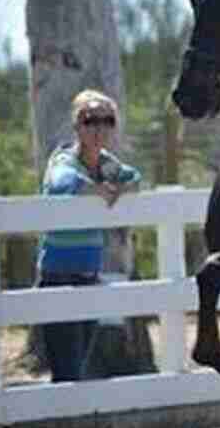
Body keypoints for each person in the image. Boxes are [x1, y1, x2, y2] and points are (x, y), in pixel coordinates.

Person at [36, 89, 142, 382]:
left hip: (88, 275)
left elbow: (134, 177)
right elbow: (61, 183)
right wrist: (96, 189)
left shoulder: (106, 163)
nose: (99, 128)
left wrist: (119, 188)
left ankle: (70, 424)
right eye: (90, 120)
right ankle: (61, 426)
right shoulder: (64, 159)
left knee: (79, 365)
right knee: (66, 368)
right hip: (58, 276)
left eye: (107, 120)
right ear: (77, 126)